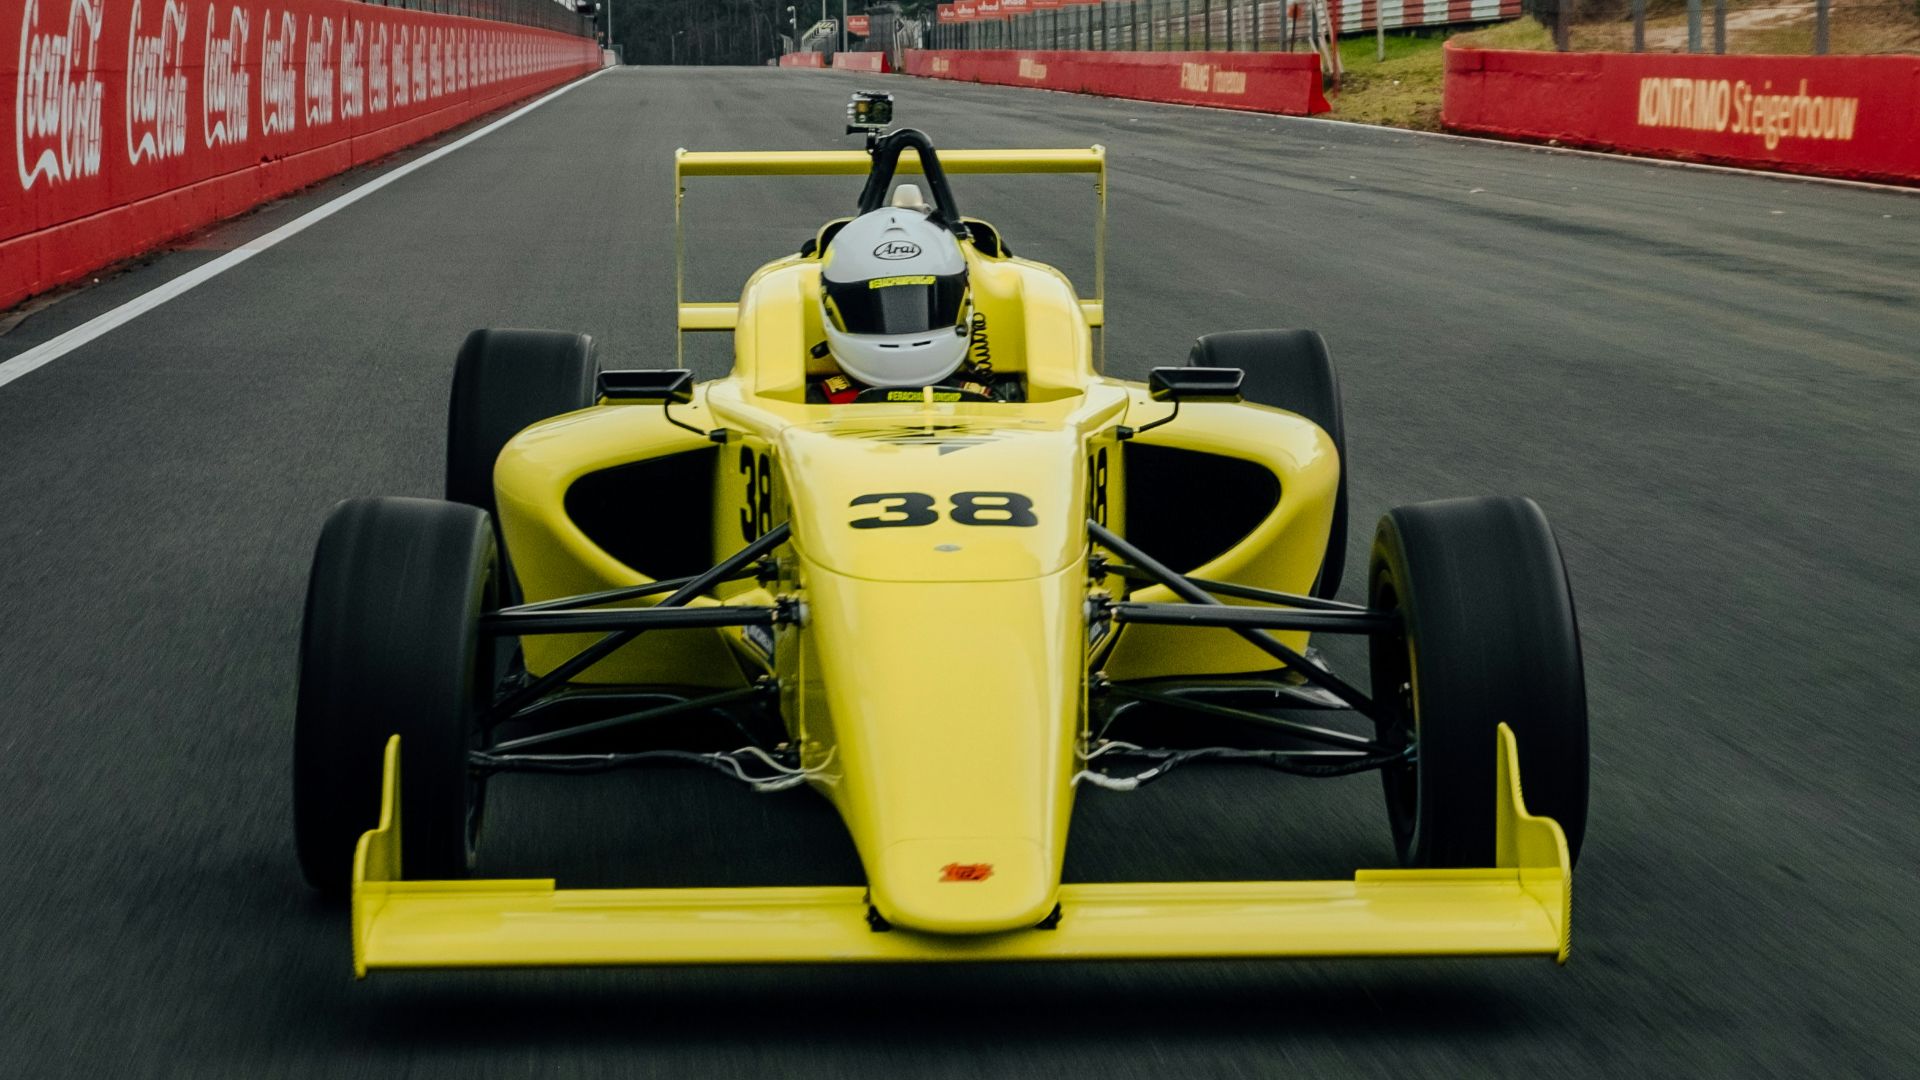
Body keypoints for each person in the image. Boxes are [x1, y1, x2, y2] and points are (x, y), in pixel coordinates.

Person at [809, 190, 1022, 404]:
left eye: (915, 305)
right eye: (871, 311)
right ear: (830, 308)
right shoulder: (827, 396)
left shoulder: (979, 395)